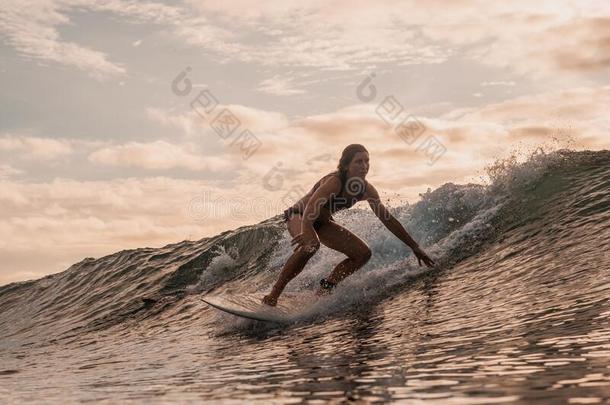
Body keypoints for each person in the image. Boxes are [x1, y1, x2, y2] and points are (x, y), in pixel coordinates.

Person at [262, 144, 435, 306]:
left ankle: (325, 289)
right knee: (311, 246)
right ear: (346, 165)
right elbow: (311, 208)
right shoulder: (334, 182)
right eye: (358, 161)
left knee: (363, 253)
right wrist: (306, 231)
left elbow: (388, 220)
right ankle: (274, 294)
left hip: (322, 222)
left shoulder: (367, 191)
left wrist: (414, 246)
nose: (364, 166)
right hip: (299, 215)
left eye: (367, 161)